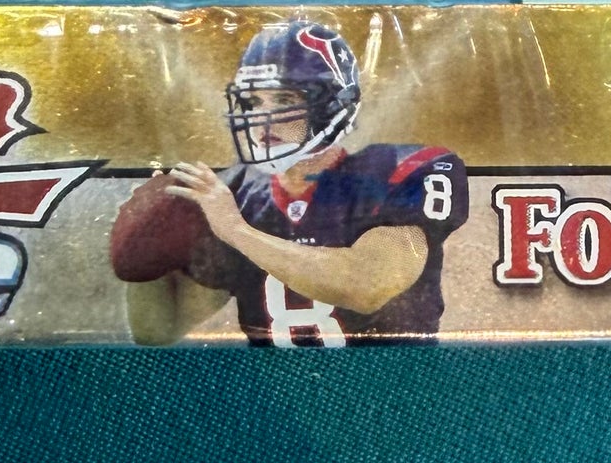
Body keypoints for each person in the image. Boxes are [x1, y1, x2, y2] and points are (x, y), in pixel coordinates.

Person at [122, 19, 468, 346]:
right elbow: (157, 331)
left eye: (285, 99)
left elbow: (368, 286)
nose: (263, 118)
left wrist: (236, 230)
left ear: (333, 105)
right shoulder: (235, 192)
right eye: (253, 101)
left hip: (392, 376)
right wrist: (143, 247)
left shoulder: (402, 170)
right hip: (274, 381)